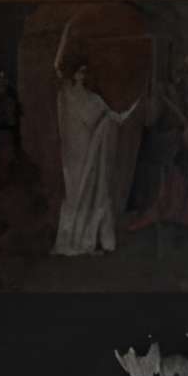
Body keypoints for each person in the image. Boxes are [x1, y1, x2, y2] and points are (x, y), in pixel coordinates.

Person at [51, 19, 141, 256]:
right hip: (73, 153)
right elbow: (57, 66)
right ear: (75, 74)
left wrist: (136, 106)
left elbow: (117, 117)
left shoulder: (94, 99)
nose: (82, 75)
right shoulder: (67, 93)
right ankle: (70, 241)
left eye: (85, 71)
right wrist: (66, 33)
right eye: (80, 71)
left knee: (93, 193)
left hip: (90, 152)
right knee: (74, 195)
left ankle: (87, 241)